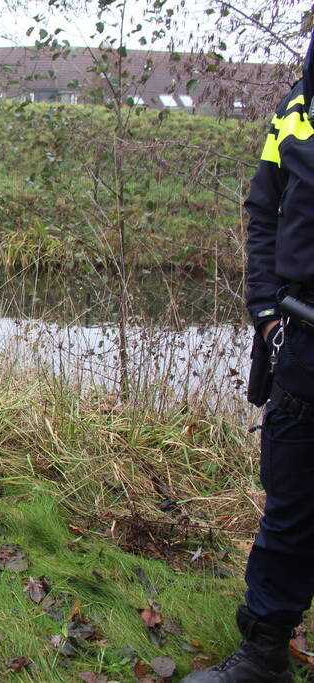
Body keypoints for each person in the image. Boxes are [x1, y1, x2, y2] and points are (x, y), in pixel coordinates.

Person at [183, 33, 314, 683]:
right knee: (288, 504)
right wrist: (264, 309)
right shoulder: (296, 106)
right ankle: (264, 653)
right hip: (300, 340)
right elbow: (263, 210)